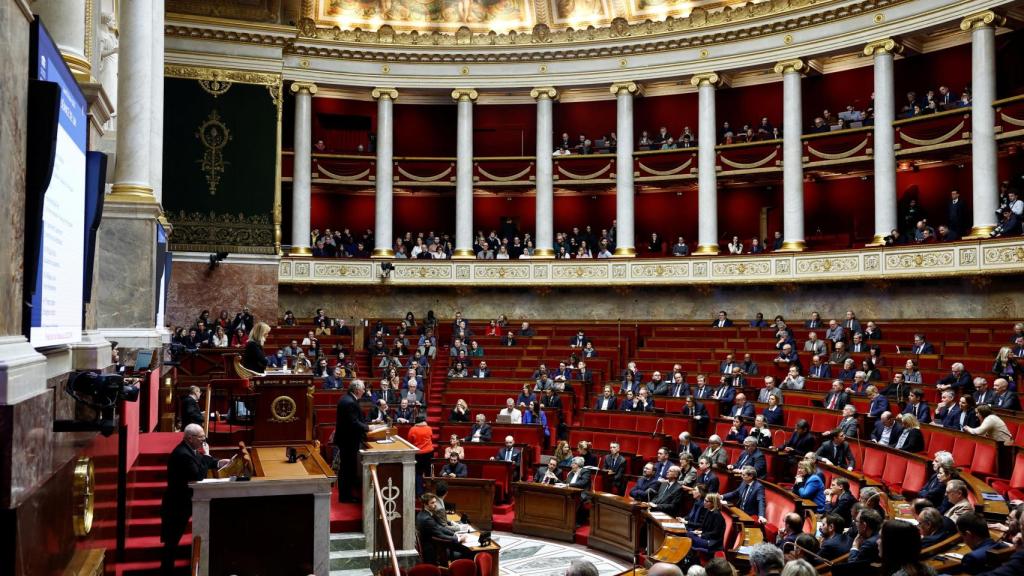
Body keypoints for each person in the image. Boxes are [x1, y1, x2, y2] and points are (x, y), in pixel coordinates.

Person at [160, 425, 229, 573]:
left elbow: (201, 460)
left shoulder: (189, 449)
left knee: (172, 542)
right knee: (171, 543)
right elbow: (198, 475)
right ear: (190, 438)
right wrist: (208, 458)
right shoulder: (182, 454)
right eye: (201, 437)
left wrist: (217, 463)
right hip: (176, 505)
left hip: (182, 502)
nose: (204, 440)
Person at [335, 380, 369, 502]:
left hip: (346, 439)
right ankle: (346, 496)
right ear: (356, 390)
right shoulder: (350, 402)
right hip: (348, 440)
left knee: (346, 467)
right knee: (347, 468)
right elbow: (353, 422)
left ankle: (346, 494)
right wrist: (368, 427)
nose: (364, 391)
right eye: (363, 389)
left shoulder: (347, 399)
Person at [416, 492, 471, 564]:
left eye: (435, 502)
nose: (435, 505)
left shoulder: (424, 513)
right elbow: (439, 535)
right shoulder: (427, 519)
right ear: (425, 504)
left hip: (435, 544)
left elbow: (440, 527)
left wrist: (455, 534)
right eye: (432, 503)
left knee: (463, 547)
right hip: (432, 550)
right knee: (467, 550)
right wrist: (458, 538)